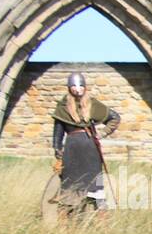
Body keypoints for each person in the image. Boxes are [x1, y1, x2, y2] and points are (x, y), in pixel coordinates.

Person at [49, 71, 120, 223]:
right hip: (72, 150)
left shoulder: (92, 104)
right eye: (74, 85)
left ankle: (102, 224)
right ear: (69, 87)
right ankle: (67, 224)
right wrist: (58, 151)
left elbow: (114, 117)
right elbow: (58, 132)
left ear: (85, 87)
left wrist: (102, 134)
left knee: (95, 188)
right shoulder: (62, 107)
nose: (77, 88)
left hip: (90, 150)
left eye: (81, 85)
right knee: (70, 188)